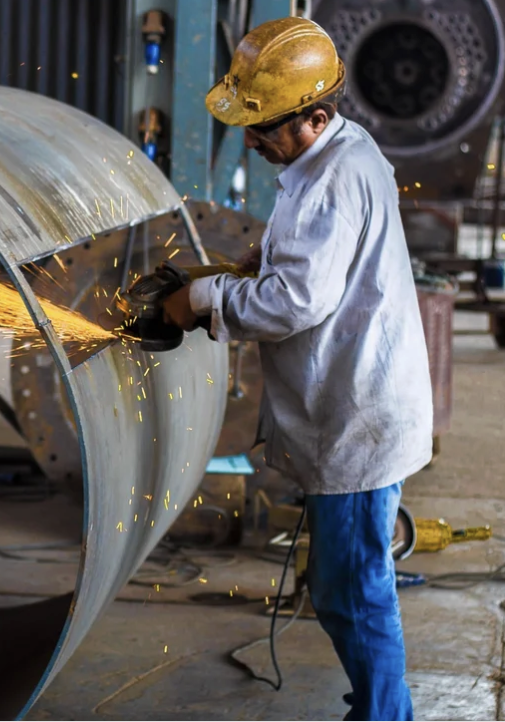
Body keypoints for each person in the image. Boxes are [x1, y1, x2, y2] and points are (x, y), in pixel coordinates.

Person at [159, 16, 432, 722]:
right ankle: (382, 709)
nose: (251, 140)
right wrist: (264, 258)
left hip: (357, 420)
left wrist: (199, 299)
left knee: (352, 589)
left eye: (266, 127)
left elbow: (295, 303)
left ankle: (386, 715)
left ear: (316, 116)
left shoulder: (331, 179)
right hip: (357, 405)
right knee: (348, 583)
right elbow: (313, 259)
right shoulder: (341, 151)